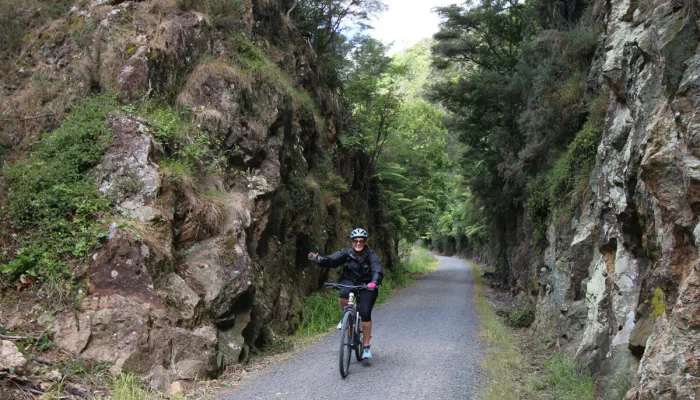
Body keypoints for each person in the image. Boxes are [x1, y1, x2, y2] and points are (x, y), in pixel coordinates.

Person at [308, 228, 383, 359]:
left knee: (365, 313)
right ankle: (346, 316)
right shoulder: (346, 253)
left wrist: (374, 282)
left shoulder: (371, 255)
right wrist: (318, 259)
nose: (358, 243)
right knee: (344, 291)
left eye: (361, 241)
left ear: (365, 242)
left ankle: (366, 347)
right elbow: (331, 260)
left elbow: (377, 270)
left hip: (367, 285)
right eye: (355, 241)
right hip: (350, 280)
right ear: (352, 242)